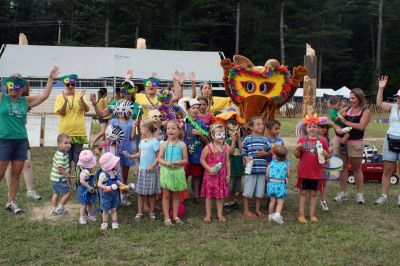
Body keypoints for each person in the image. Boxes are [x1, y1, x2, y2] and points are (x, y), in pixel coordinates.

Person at [0, 66, 59, 213]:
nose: (13, 91)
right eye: (11, 87)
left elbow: (44, 95)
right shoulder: (2, 99)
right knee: (0, 174)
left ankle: (11, 202)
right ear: (7, 88)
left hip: (21, 141)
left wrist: (50, 79)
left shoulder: (25, 101)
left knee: (16, 174)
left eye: (17, 88)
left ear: (22, 89)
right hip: (4, 140)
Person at [333, 88, 371, 204]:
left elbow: (361, 127)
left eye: (353, 98)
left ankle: (359, 195)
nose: (351, 100)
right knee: (343, 167)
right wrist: (338, 116)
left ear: (360, 98)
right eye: (350, 98)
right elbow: (335, 119)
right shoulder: (347, 109)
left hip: (355, 142)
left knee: (356, 169)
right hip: (341, 141)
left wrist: (345, 121)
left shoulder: (365, 111)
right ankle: (343, 193)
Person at [294, 114, 329, 223]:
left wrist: (325, 153)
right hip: (304, 171)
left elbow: (327, 156)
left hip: (316, 172)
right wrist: (297, 149)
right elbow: (297, 155)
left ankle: (312, 214)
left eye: (314, 127)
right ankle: (301, 214)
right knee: (303, 193)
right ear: (306, 128)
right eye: (309, 127)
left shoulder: (322, 141)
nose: (312, 129)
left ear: (318, 128)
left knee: (314, 193)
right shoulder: (302, 139)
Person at [54, 74, 90, 170]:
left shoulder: (81, 95)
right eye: (68, 84)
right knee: (66, 160)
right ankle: (68, 183)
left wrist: (82, 99)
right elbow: (61, 113)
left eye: (72, 84)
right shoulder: (59, 97)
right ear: (65, 85)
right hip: (65, 133)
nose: (70, 86)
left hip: (79, 132)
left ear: (75, 84)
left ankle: (79, 182)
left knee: (78, 160)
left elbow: (86, 110)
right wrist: (65, 101)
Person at [375, 75, 400, 205]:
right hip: (390, 139)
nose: (398, 99)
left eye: (399, 98)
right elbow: (379, 103)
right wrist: (381, 89)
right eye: (397, 97)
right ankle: (384, 196)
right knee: (387, 170)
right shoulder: (393, 107)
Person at [158, 120, 188, 225]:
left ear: (179, 130)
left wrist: (179, 162)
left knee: (176, 195)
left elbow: (185, 159)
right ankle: (167, 217)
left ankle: (175, 216)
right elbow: (160, 158)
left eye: (173, 128)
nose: (170, 130)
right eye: (168, 128)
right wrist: (165, 163)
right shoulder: (164, 144)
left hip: (177, 172)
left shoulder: (182, 145)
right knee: (165, 195)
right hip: (166, 172)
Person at [200, 124, 230, 223]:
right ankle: (208, 214)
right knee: (209, 196)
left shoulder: (225, 148)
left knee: (220, 196)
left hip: (221, 176)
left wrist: (228, 174)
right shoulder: (208, 147)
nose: (222, 136)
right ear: (213, 136)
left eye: (223, 134)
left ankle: (219, 214)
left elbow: (227, 162)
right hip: (210, 176)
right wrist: (209, 168)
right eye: (219, 134)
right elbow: (202, 160)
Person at [241, 116, 270, 219]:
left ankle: (258, 210)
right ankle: (246, 210)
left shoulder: (265, 139)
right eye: (258, 124)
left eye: (262, 124)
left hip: (262, 170)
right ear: (251, 127)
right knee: (248, 190)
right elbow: (243, 152)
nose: (261, 126)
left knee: (260, 191)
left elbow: (270, 152)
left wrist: (265, 153)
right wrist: (245, 158)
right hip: (251, 170)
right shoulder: (247, 139)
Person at [181, 98, 209, 203]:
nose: (196, 110)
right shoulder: (183, 122)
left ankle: (196, 195)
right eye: (193, 108)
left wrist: (200, 134)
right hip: (185, 153)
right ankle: (182, 194)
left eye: (198, 107)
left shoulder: (201, 124)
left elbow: (206, 140)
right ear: (188, 109)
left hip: (197, 153)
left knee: (197, 175)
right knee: (184, 174)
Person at [132, 118, 160, 220]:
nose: (140, 130)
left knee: (151, 193)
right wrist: (133, 156)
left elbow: (158, 157)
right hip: (142, 170)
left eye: (141, 128)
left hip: (151, 170)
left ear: (147, 129)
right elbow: (139, 154)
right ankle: (139, 212)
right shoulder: (142, 141)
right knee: (140, 193)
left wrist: (152, 166)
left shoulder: (155, 142)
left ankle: (152, 212)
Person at [98, 152, 127, 230]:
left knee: (114, 209)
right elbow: (99, 184)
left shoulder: (113, 172)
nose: (115, 164)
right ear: (109, 165)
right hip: (106, 195)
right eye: (113, 163)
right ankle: (104, 222)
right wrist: (107, 187)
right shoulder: (103, 174)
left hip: (114, 195)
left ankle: (114, 222)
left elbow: (117, 181)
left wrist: (125, 186)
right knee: (105, 210)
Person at [50, 133, 74, 215]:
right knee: (68, 192)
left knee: (56, 193)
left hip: (54, 178)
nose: (68, 145)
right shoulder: (61, 155)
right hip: (60, 178)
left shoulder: (60, 153)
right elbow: (59, 168)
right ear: (59, 144)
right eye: (66, 143)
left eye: (70, 143)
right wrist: (67, 175)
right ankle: (60, 207)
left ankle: (53, 209)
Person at [266, 145, 290, 224]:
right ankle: (277, 215)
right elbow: (288, 176)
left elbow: (267, 175)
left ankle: (270, 215)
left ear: (274, 155)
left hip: (271, 184)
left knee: (272, 200)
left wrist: (268, 182)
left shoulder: (270, 164)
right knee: (280, 201)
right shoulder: (285, 165)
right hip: (280, 184)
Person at [224, 118, 243, 209]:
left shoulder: (240, 140)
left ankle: (233, 201)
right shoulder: (226, 141)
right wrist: (233, 140)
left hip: (238, 167)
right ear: (228, 132)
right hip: (230, 168)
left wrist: (238, 139)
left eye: (236, 129)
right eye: (232, 130)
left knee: (236, 187)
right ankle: (226, 202)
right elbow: (230, 152)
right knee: (229, 187)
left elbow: (242, 151)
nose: (234, 132)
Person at [76, 150, 98, 225]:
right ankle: (82, 217)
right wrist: (89, 186)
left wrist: (93, 185)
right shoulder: (85, 172)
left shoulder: (90, 170)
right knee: (84, 204)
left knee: (90, 203)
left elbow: (91, 180)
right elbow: (82, 181)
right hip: (83, 191)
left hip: (89, 190)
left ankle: (90, 215)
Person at [318, 117, 333, 211]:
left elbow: (329, 150)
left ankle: (323, 201)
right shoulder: (313, 138)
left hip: (326, 163)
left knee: (324, 183)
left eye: (326, 127)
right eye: (322, 126)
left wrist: (329, 150)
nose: (324, 129)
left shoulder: (327, 138)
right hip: (315, 164)